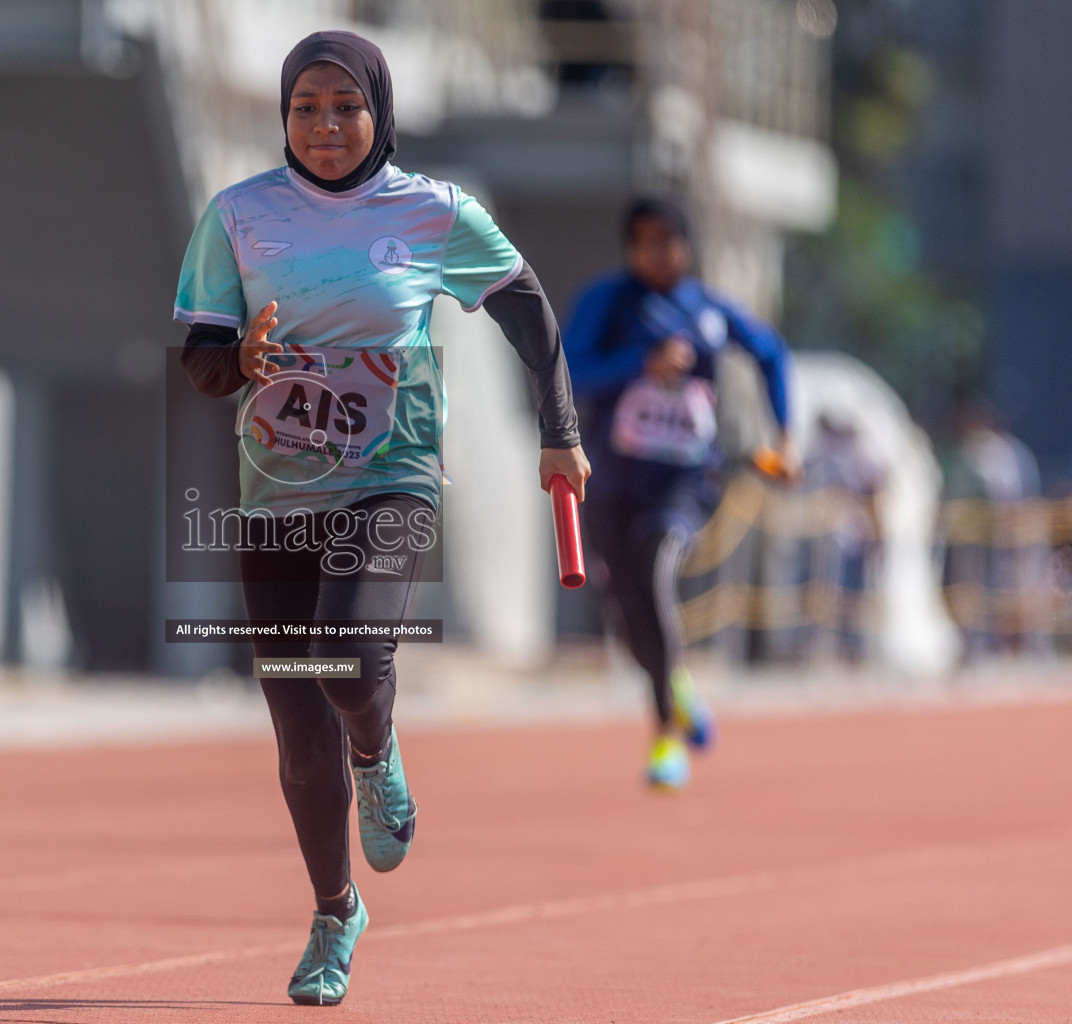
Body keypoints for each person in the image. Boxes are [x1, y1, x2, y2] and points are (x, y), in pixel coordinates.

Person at [174, 30, 589, 1006]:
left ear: (379, 112)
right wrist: (244, 363)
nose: (324, 126)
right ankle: (334, 912)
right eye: (305, 107)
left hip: (392, 476)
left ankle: (379, 747)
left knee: (353, 659)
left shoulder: (434, 212)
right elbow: (200, 357)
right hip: (276, 494)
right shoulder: (238, 217)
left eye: (345, 107)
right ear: (283, 116)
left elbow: (531, 313)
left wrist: (559, 431)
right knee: (296, 743)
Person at [561, 197, 796, 791]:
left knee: (658, 573)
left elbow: (771, 353)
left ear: (686, 247)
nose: (656, 252)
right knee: (629, 612)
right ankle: (678, 687)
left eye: (668, 240)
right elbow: (569, 370)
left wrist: (784, 434)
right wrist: (641, 365)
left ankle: (664, 733)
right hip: (613, 482)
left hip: (687, 482)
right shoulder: (608, 302)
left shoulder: (707, 309)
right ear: (629, 247)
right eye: (643, 241)